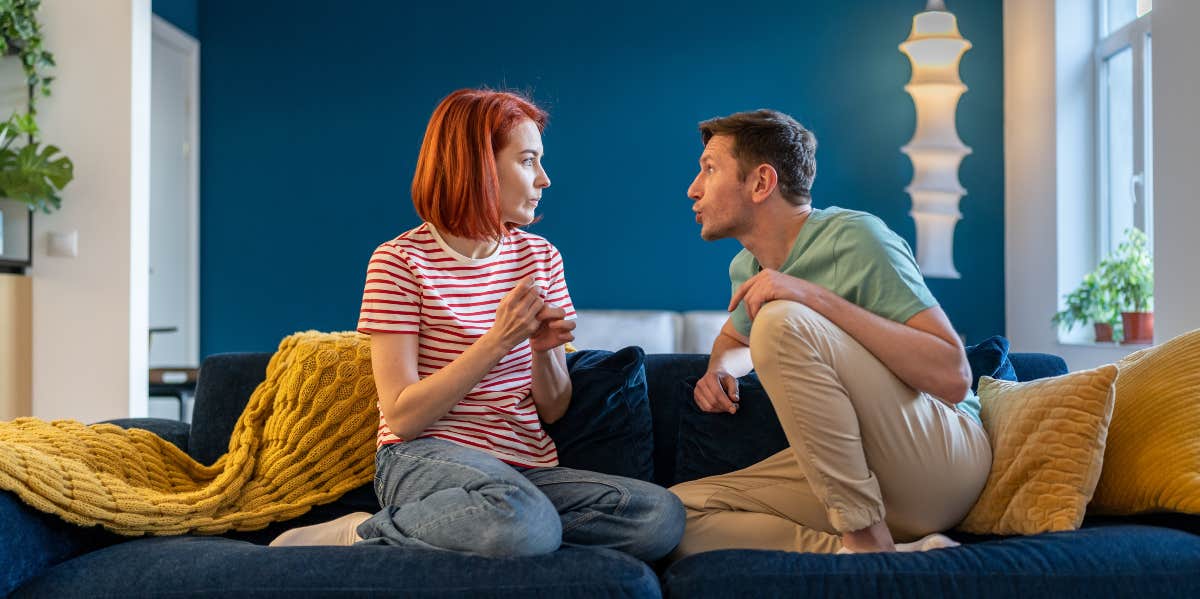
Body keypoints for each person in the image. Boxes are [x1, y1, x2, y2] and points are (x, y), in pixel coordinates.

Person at [270, 89, 684, 560]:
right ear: (478, 166)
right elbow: (403, 417)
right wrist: (498, 339)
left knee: (658, 514)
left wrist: (543, 348)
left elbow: (553, 409)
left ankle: (492, 523)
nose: (544, 179)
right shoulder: (400, 262)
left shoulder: (540, 256)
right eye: (528, 161)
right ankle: (362, 534)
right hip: (422, 455)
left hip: (526, 465)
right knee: (523, 517)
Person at [669, 109, 991, 557]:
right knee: (671, 518)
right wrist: (720, 370)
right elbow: (735, 340)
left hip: (942, 462)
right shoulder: (746, 266)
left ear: (761, 183)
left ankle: (861, 531)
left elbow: (954, 377)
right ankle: (871, 551)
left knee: (781, 319)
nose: (693, 188)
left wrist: (808, 296)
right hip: (863, 476)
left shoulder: (857, 238)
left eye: (709, 169)